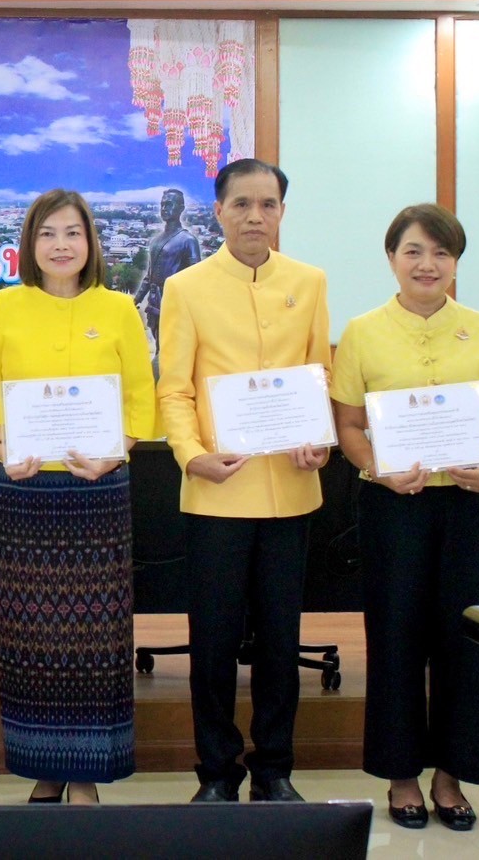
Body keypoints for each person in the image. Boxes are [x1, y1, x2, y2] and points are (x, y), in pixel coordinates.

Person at [330, 204, 479, 832]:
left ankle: (452, 775)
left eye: (441, 253)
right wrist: (376, 468)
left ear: (456, 262)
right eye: (413, 251)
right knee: (396, 636)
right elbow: (348, 425)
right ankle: (402, 774)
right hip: (395, 506)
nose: (427, 264)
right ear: (392, 258)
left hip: (469, 505)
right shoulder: (362, 332)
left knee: (468, 638)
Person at [0, 189, 155, 806]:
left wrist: (116, 451)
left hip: (97, 487)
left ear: (91, 242)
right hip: (23, 487)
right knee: (30, 635)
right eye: (47, 233)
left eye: (72, 232)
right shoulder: (4, 306)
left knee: (97, 635)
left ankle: (87, 774)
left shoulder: (119, 308)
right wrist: (2, 446)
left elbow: (140, 398)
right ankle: (43, 769)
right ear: (30, 244)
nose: (60, 245)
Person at [156, 157, 331, 804]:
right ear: (218, 212)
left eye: (267, 205)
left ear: (281, 212)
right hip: (216, 490)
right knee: (214, 642)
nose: (255, 216)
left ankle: (275, 768)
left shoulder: (309, 282)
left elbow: (318, 374)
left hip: (290, 489)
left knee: (280, 641)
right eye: (241, 204)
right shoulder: (187, 287)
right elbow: (173, 388)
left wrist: (317, 438)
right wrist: (190, 453)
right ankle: (216, 772)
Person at [138, 188, 200, 357]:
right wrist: (136, 299)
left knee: (173, 348)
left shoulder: (188, 240)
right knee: (159, 345)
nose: (164, 208)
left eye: (169, 204)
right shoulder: (156, 241)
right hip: (155, 301)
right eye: (162, 204)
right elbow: (149, 275)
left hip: (175, 303)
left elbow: (196, 278)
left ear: (181, 208)